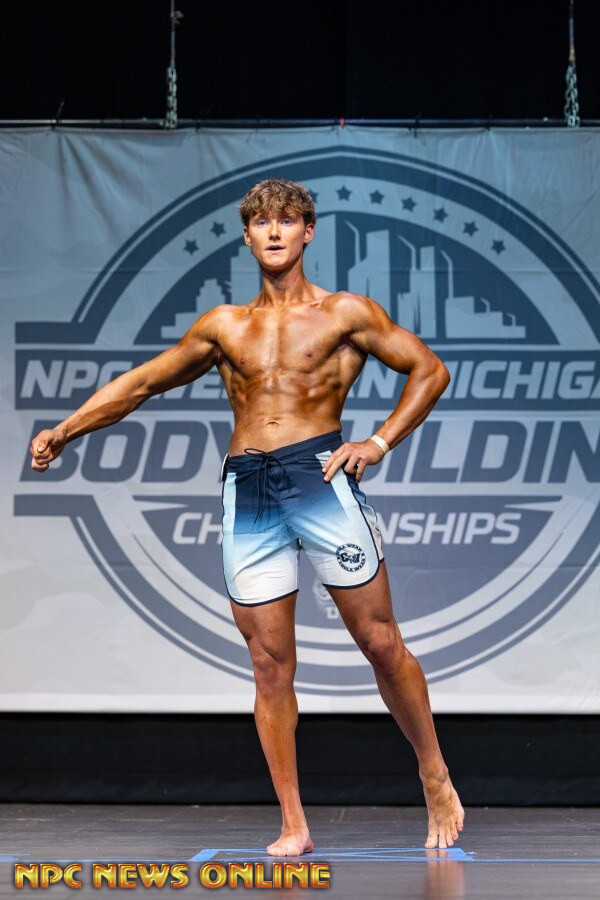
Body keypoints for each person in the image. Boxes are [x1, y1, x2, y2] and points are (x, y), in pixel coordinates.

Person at [29, 177, 464, 856]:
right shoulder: (224, 326)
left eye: (287, 220)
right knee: (268, 663)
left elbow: (430, 370)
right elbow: (142, 383)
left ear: (307, 232)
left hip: (320, 477)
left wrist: (377, 443)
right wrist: (66, 429)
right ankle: (293, 822)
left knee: (379, 641)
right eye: (261, 222)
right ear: (247, 236)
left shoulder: (344, 313)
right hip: (249, 488)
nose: (274, 231)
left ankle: (433, 772)